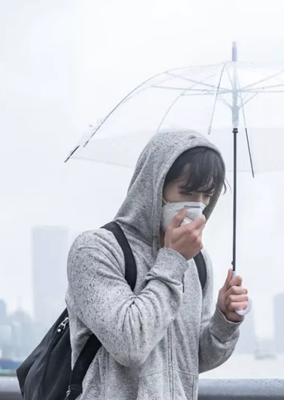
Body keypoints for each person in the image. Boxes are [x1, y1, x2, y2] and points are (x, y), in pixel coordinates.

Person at [66, 130, 250, 399]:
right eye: (187, 192)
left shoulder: (197, 261)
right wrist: (173, 261)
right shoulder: (95, 249)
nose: (197, 206)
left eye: (206, 195)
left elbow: (192, 360)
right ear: (155, 185)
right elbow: (130, 345)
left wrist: (225, 321)